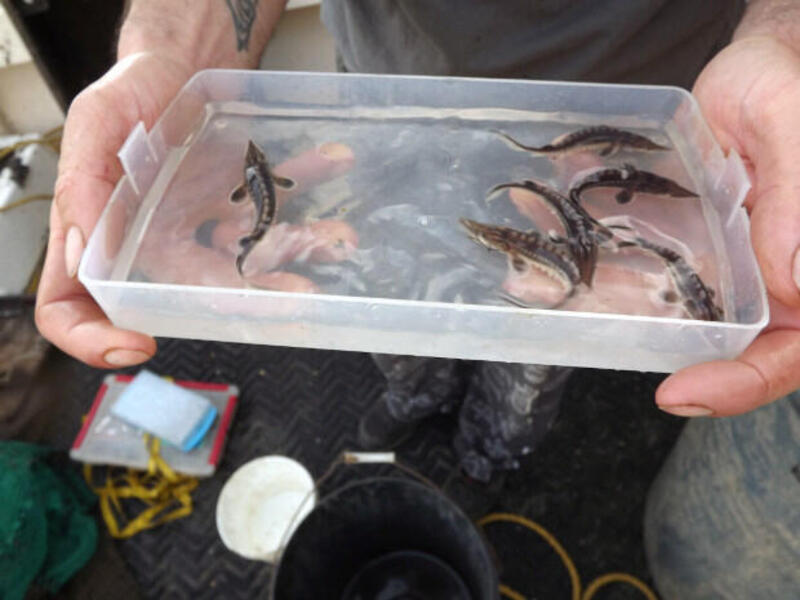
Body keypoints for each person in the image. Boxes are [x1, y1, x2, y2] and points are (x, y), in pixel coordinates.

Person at [33, 1, 800, 597]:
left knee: (532, 349)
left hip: (628, 129)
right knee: (375, 293)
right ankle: (417, 393)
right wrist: (168, 53)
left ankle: (494, 447)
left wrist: (781, 41)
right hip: (382, 119)